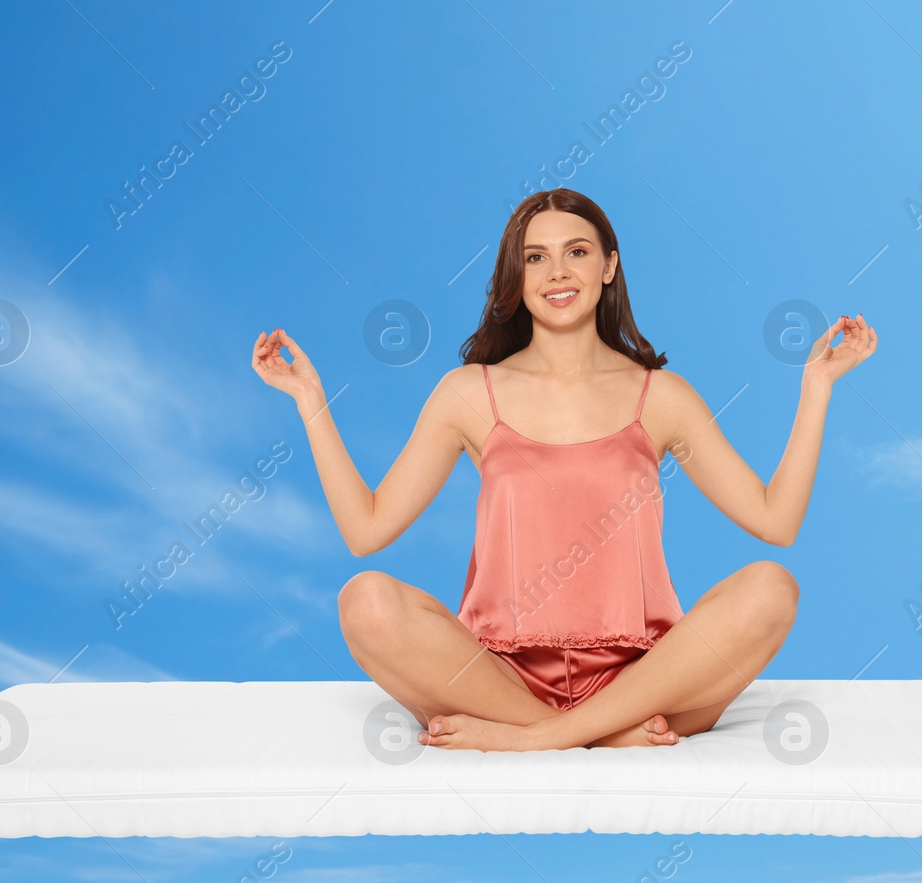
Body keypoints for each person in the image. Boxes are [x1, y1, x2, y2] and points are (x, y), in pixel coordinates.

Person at [251, 188, 876, 752]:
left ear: (608, 267)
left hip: (645, 677)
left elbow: (776, 521)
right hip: (496, 678)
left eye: (576, 252)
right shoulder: (468, 392)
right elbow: (367, 531)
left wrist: (816, 388)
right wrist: (310, 400)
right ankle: (585, 735)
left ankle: (540, 738)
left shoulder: (661, 396)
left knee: (771, 587)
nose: (557, 272)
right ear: (515, 278)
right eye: (535, 258)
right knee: (366, 602)